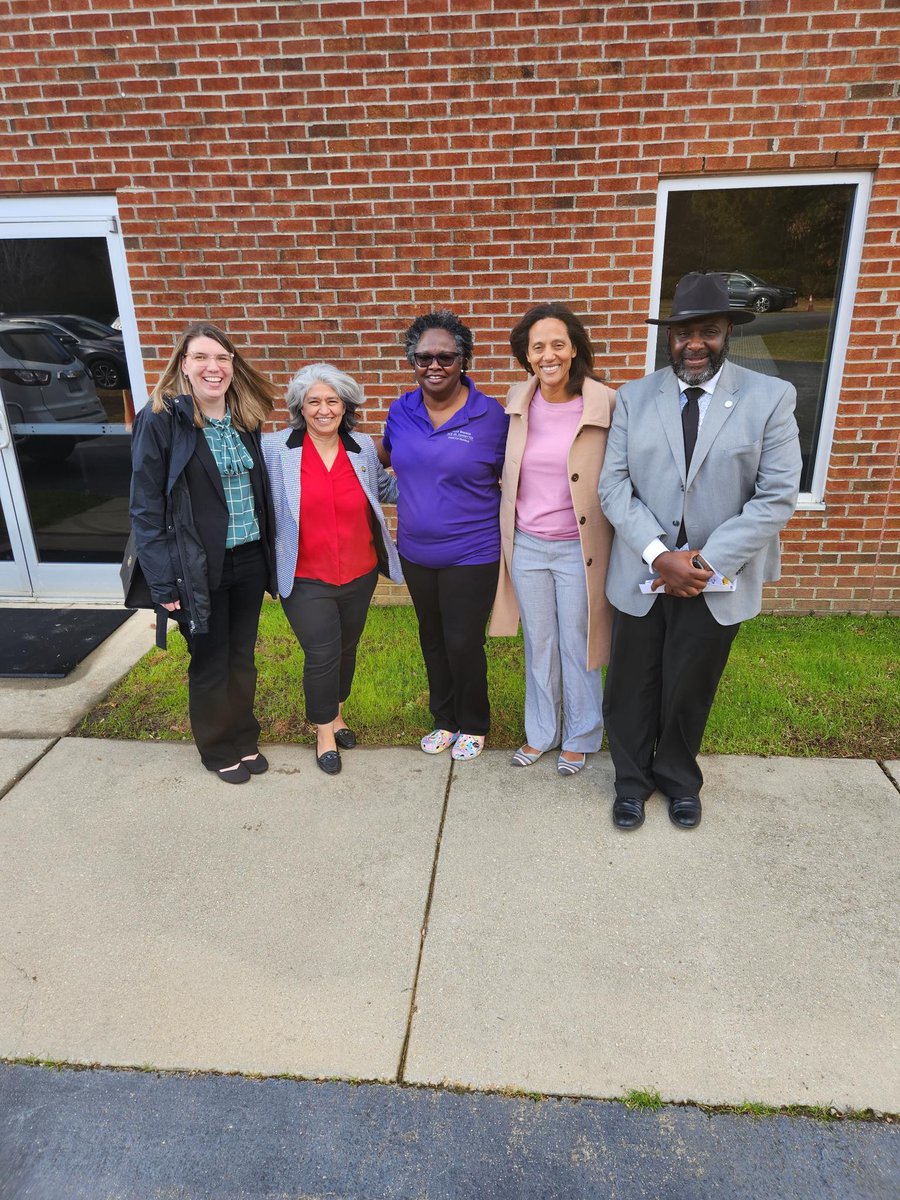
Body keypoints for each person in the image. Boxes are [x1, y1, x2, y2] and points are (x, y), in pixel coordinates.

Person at [599, 272, 802, 830]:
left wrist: (704, 564)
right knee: (631, 686)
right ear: (670, 337)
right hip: (645, 571)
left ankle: (679, 780)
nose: (694, 344)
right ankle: (631, 783)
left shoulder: (770, 397)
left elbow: (777, 494)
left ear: (727, 332)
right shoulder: (634, 398)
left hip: (717, 577)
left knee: (691, 685)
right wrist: (660, 554)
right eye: (684, 332)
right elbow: (614, 487)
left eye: (708, 332)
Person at [129, 322, 277, 784]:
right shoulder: (162, 420)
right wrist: (162, 580)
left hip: (249, 559)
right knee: (211, 659)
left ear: (232, 367)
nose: (213, 367)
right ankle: (217, 747)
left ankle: (244, 735)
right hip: (198, 565)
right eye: (201, 358)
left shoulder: (244, 416)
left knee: (242, 656)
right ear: (184, 366)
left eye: (222, 358)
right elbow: (145, 507)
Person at [489, 303, 615, 776]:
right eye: (537, 346)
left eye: (557, 344)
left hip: (579, 548)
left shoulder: (604, 402)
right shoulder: (517, 400)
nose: (548, 355)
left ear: (575, 347)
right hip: (527, 545)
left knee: (579, 643)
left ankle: (582, 735)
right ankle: (541, 732)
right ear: (525, 354)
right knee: (538, 643)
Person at [263, 363, 402, 776]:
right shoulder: (276, 449)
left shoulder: (360, 447)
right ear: (299, 408)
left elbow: (387, 490)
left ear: (346, 406)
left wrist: (431, 468)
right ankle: (324, 732)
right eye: (314, 402)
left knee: (346, 648)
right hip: (305, 576)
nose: (324, 410)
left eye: (332, 401)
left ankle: (337, 715)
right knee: (322, 654)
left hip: (359, 572)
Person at [381, 310, 508, 761]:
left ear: (463, 360)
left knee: (462, 640)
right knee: (431, 637)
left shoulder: (491, 417)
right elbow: (383, 459)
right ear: (412, 361)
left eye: (446, 357)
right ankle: (444, 719)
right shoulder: (401, 410)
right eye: (423, 357)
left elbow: (514, 479)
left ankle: (473, 722)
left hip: (472, 551)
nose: (434, 366)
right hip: (416, 550)